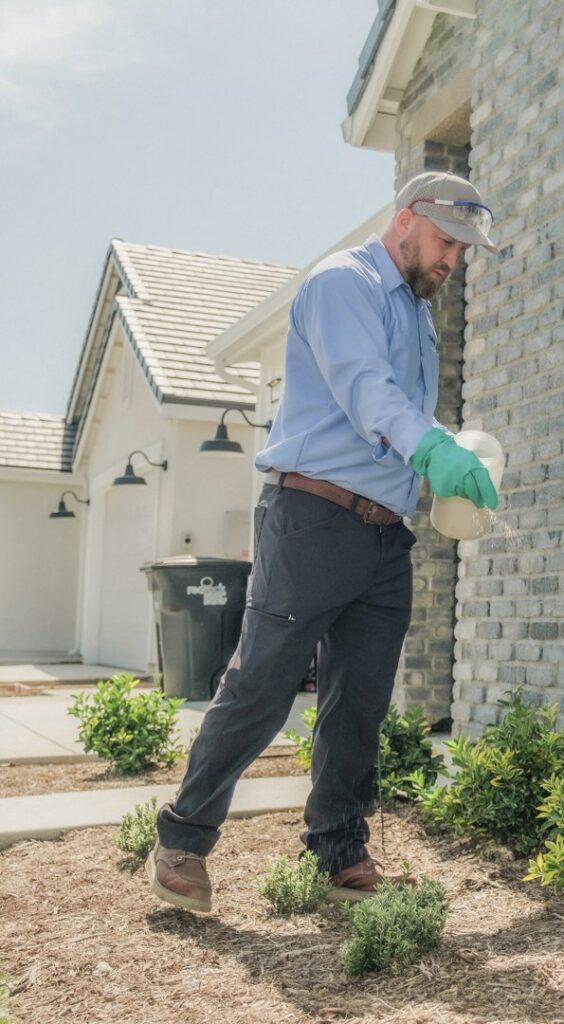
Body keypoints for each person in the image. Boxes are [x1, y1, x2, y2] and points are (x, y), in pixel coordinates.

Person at [146, 171, 499, 913]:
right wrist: (432, 448)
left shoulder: (418, 313)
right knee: (261, 684)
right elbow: (364, 386)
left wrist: (440, 465)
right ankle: (181, 842)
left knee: (359, 702)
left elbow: (399, 412)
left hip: (383, 538)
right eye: (445, 243)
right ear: (405, 219)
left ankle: (338, 851)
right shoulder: (344, 284)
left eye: (463, 252)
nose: (452, 262)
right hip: (311, 521)